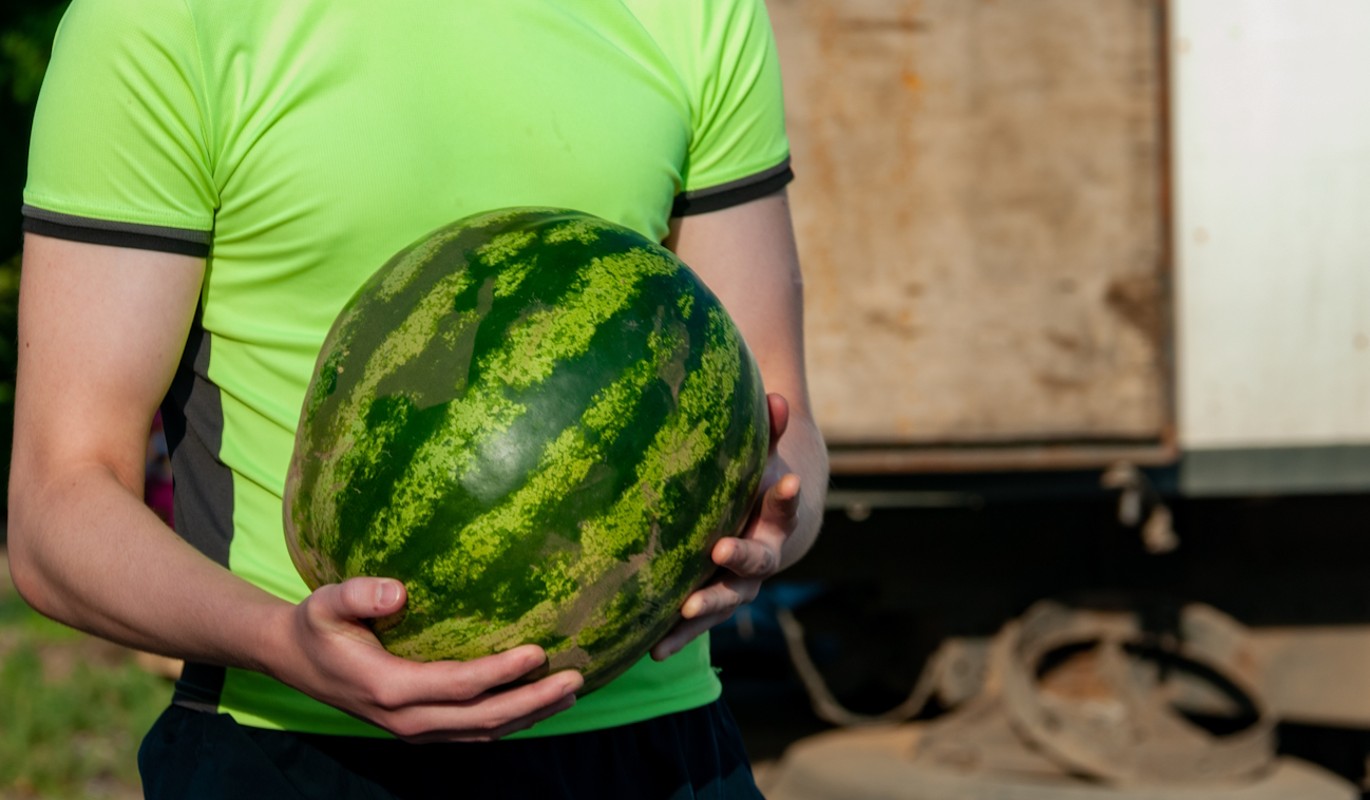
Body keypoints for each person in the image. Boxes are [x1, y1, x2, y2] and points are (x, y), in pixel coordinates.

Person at [7, 0, 829, 796]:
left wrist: (765, 534)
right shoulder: (162, 18)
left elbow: (782, 422)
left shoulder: (695, 10)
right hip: (293, 752)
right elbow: (56, 510)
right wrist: (280, 640)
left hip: (662, 754)